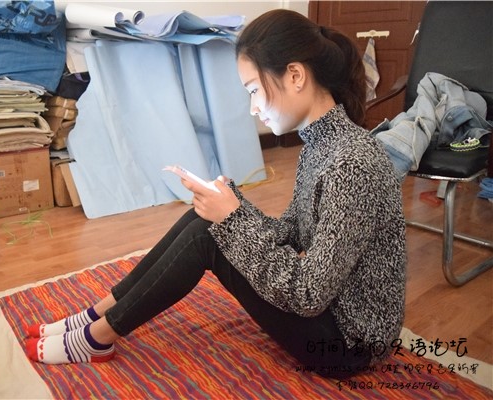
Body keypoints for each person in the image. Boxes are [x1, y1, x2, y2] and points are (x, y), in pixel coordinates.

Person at [26, 9, 406, 379]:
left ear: (295, 76)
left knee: (209, 236)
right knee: (206, 218)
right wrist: (232, 205)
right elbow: (291, 230)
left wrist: (232, 218)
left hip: (347, 345)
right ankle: (97, 315)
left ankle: (98, 336)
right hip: (329, 314)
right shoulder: (322, 146)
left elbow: (307, 294)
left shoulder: (351, 163)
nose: (253, 108)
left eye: (254, 90)